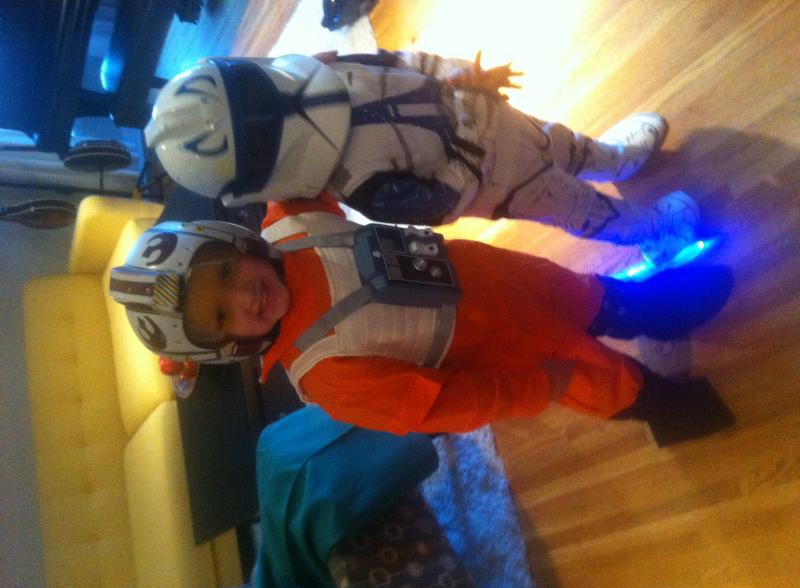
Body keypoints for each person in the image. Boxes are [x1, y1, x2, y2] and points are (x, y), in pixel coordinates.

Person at [109, 194, 734, 447]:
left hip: (498, 276)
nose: (243, 296)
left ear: (232, 242)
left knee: (588, 296)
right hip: (507, 352)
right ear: (226, 346)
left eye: (224, 273)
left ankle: (658, 310)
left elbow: (310, 157)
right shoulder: (325, 373)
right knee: (602, 377)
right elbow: (438, 406)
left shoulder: (288, 224)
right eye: (223, 314)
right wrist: (532, 388)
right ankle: (675, 409)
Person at [142, 49, 697, 265]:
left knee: (563, 142)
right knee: (578, 206)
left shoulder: (323, 67)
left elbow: (402, 61)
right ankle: (651, 233)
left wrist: (459, 74)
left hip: (499, 121)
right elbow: (442, 204)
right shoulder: (359, 183)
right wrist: (469, 142)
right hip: (508, 183)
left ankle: (615, 159)